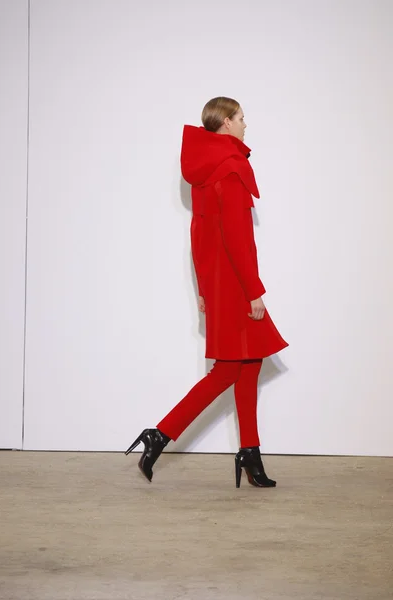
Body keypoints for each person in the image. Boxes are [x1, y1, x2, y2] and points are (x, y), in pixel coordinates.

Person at [125, 97, 288, 488]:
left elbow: (199, 235)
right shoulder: (231, 168)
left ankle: (250, 453)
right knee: (229, 370)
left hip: (218, 282)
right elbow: (236, 238)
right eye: (242, 118)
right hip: (235, 283)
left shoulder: (204, 171)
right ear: (227, 122)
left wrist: (203, 287)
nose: (246, 124)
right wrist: (254, 291)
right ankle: (160, 433)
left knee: (249, 364)